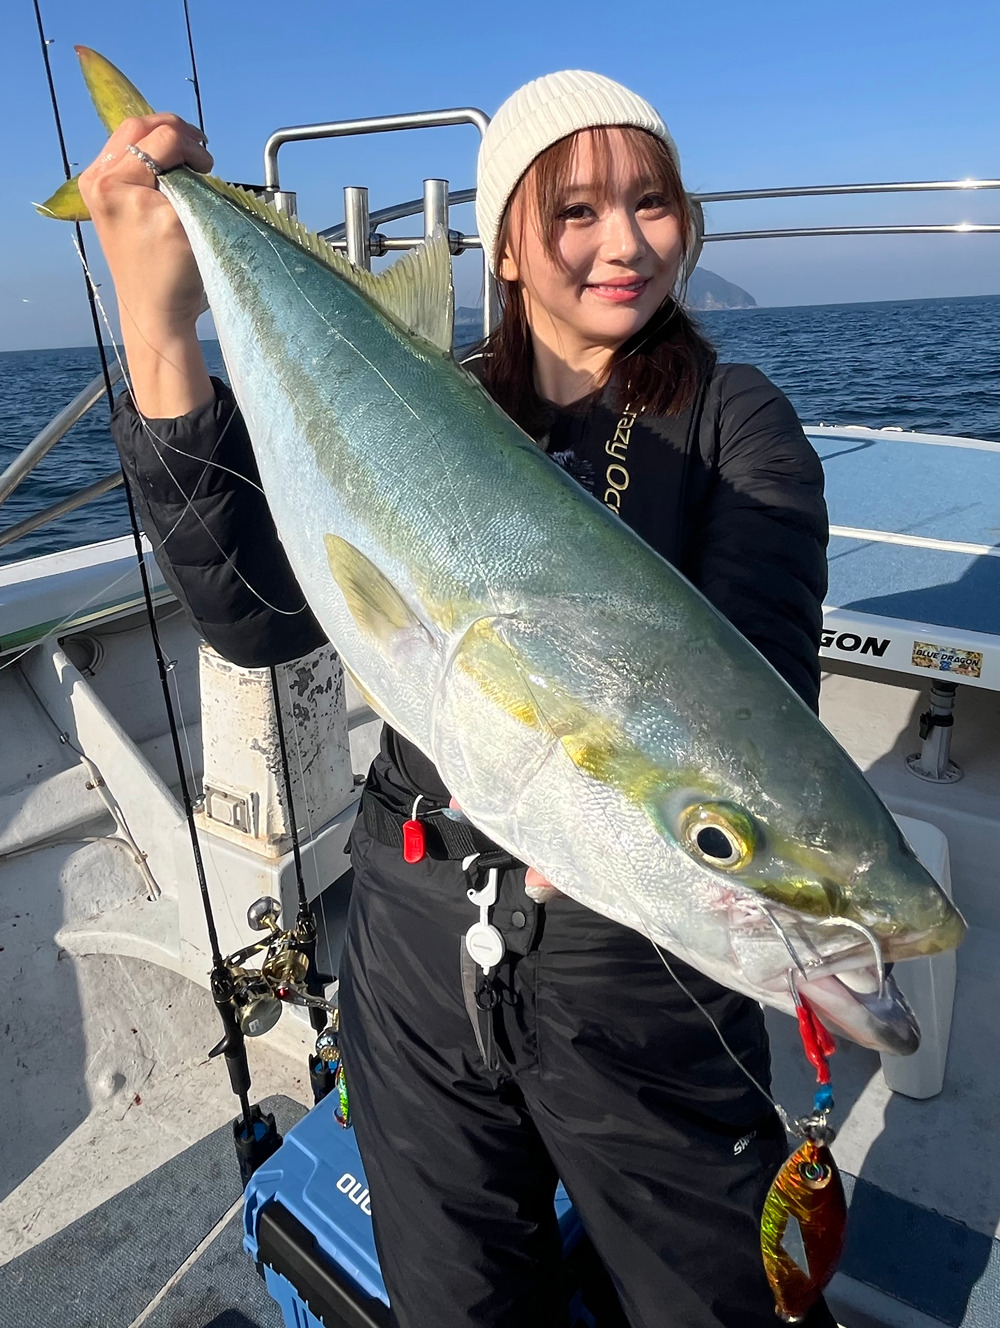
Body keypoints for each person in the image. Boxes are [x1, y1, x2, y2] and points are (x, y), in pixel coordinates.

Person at [80, 70, 834, 1328]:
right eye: (576, 209)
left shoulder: (732, 426)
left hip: (637, 973)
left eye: (651, 203)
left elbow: (751, 689)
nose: (622, 242)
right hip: (417, 947)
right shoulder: (411, 395)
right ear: (503, 239)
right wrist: (157, 333)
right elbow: (259, 616)